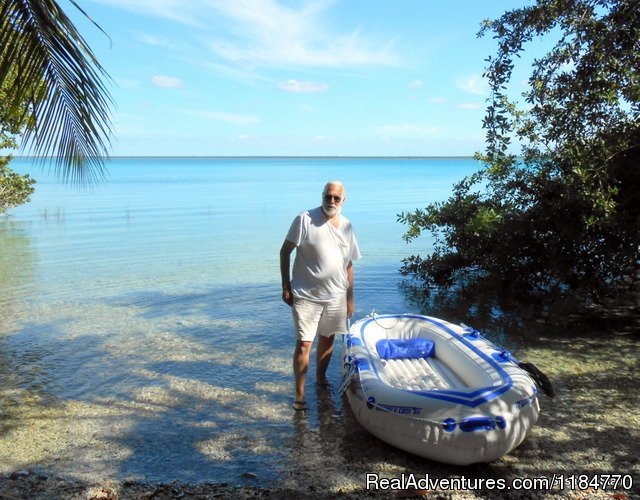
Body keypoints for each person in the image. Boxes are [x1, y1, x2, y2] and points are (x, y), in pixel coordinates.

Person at [280, 181, 361, 411]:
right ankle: (299, 395)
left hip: (336, 296)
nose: (331, 202)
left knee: (328, 339)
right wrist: (286, 285)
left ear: (343, 201)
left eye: (336, 198)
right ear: (322, 196)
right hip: (306, 295)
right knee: (305, 344)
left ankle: (321, 379)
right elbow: (285, 251)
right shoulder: (305, 219)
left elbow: (349, 264)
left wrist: (350, 297)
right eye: (328, 197)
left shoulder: (346, 226)